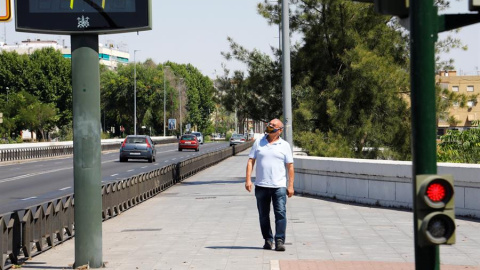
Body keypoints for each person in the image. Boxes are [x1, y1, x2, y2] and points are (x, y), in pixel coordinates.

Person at [245, 118, 294, 252]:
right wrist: (248, 180)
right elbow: (251, 161)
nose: (270, 126)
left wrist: (290, 186)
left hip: (279, 186)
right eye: (269, 124)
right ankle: (268, 239)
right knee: (263, 215)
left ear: (280, 130)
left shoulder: (284, 145)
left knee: (281, 214)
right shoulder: (258, 142)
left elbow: (290, 166)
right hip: (261, 185)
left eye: (273, 125)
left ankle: (279, 240)